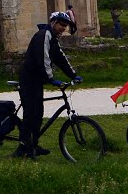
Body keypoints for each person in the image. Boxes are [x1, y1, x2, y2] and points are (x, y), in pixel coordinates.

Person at [16, 11, 82, 158]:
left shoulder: (53, 39)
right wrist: (51, 79)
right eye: (61, 25)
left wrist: (73, 75)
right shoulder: (44, 35)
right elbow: (43, 60)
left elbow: (60, 58)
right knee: (31, 114)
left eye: (65, 26)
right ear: (53, 23)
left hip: (37, 81)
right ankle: (22, 148)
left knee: (38, 114)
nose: (63, 28)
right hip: (29, 80)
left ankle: (33, 145)